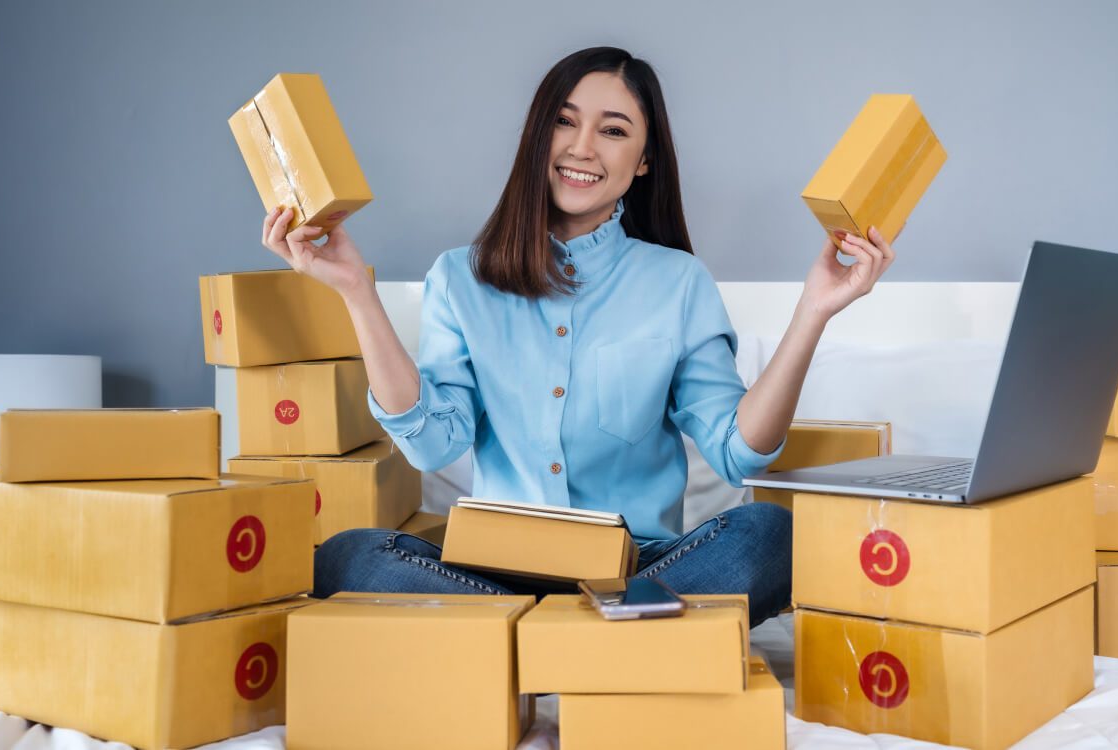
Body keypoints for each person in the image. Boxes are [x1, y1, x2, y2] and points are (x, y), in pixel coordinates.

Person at [260, 46, 894, 627]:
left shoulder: (678, 283)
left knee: (770, 535)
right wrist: (355, 291)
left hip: (637, 570)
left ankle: (529, 640)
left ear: (644, 160)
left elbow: (737, 453)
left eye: (614, 130)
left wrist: (814, 310)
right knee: (348, 556)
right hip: (491, 569)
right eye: (564, 122)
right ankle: (581, 637)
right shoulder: (460, 277)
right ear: (539, 137)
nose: (582, 147)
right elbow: (432, 443)